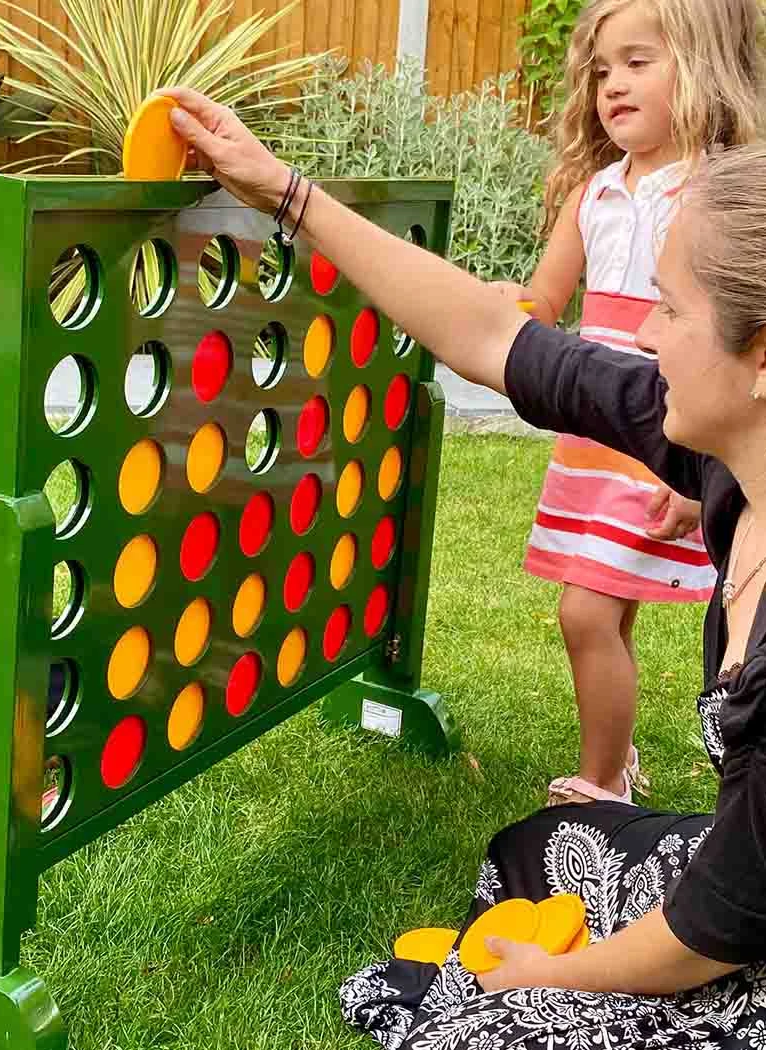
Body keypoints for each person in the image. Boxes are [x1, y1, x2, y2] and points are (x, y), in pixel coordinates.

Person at [162, 23, 766, 1050]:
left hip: (738, 942)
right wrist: (285, 193)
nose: (641, 333)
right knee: (539, 848)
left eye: (669, 310)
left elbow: (720, 928)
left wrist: (551, 975)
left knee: (467, 1015)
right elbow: (497, 338)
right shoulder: (731, 458)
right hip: (745, 880)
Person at [490, 0, 765, 806]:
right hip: (591, 438)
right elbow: (544, 300)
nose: (612, 84)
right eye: (602, 70)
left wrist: (699, 474)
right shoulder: (594, 194)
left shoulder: (714, 197)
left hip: (663, 438)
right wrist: (501, 308)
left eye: (638, 63)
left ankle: (603, 781)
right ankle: (617, 754)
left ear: (703, 68)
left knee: (585, 610)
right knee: (605, 608)